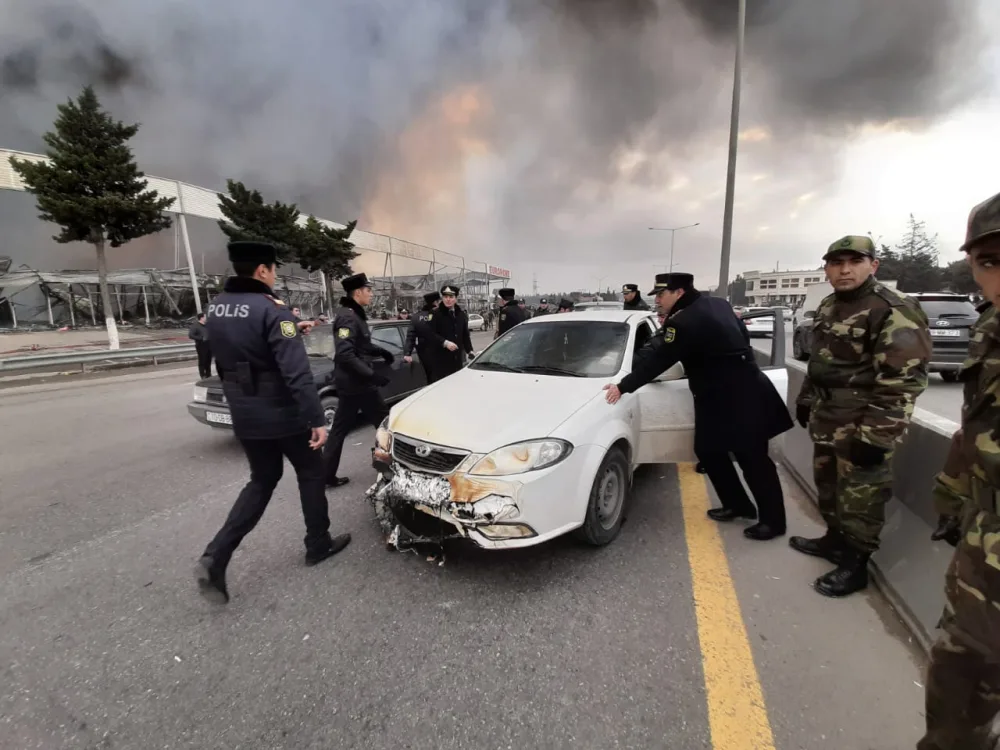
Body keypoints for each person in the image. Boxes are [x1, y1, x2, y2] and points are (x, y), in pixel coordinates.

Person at [195, 241, 350, 604]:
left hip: (245, 412)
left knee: (261, 481)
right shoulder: (273, 310)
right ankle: (318, 544)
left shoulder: (217, 308)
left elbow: (225, 358)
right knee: (311, 472)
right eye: (274, 268)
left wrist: (294, 327)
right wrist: (317, 419)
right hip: (283, 413)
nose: (275, 273)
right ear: (263, 270)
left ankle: (216, 556)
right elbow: (297, 373)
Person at [604, 272, 793, 541]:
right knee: (708, 450)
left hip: (740, 397)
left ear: (679, 292)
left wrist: (623, 386)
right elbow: (741, 335)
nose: (656, 300)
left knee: (753, 459)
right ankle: (738, 504)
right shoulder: (719, 304)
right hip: (725, 393)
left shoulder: (682, 322)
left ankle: (774, 521)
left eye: (661, 294)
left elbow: (659, 361)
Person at [791, 235, 931, 597]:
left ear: (873, 265)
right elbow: (820, 362)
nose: (844, 269)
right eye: (836, 263)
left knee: (861, 497)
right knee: (828, 487)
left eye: (854, 261)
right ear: (827, 268)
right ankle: (834, 541)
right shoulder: (828, 305)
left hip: (862, 423)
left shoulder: (893, 309)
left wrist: (876, 437)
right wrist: (807, 398)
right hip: (828, 418)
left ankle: (855, 565)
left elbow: (901, 383)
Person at [918, 192, 1000, 750]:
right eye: (991, 262)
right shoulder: (991, 330)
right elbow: (972, 429)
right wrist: (950, 499)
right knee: (959, 693)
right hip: (984, 551)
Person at [322, 273, 393, 487]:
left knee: (339, 431)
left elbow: (360, 346)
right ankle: (389, 468)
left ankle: (325, 475)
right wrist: (372, 375)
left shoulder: (353, 314)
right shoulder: (347, 316)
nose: (371, 294)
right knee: (385, 426)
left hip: (352, 385)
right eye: (368, 290)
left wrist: (381, 350)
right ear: (358, 292)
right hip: (358, 384)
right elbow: (345, 354)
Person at [428, 284, 475, 380]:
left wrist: (469, 350)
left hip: (457, 359)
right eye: (445, 297)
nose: (448, 299)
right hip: (441, 360)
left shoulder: (461, 314)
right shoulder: (435, 314)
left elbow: (465, 335)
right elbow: (430, 334)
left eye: (451, 297)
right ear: (442, 298)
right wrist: (445, 342)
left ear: (456, 298)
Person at [404, 292, 442, 382]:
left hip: (424, 354)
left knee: (430, 377)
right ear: (435, 302)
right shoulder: (440, 315)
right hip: (440, 352)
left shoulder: (416, 317)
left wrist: (407, 353)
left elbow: (410, 336)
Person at [188, 313, 214, 379]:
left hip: (209, 344)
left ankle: (209, 374)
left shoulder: (207, 325)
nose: (206, 318)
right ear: (201, 318)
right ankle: (202, 375)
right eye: (205, 316)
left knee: (208, 360)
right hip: (201, 345)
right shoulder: (195, 326)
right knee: (202, 360)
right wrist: (201, 338)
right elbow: (191, 335)